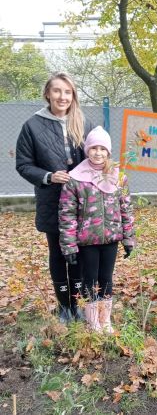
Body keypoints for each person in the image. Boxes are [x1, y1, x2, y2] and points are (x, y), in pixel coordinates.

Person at [15, 72, 95, 323]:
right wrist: (48, 176)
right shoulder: (32, 126)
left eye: (68, 92)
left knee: (79, 256)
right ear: (48, 93)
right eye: (57, 91)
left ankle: (78, 303)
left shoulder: (85, 123)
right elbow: (23, 165)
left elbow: (99, 156)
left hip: (82, 202)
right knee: (59, 254)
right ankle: (64, 306)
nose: (62, 97)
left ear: (73, 96)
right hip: (52, 202)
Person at [58, 126, 135, 333]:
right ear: (87, 150)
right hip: (87, 240)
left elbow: (126, 208)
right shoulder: (75, 178)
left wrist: (128, 239)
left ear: (108, 151)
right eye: (94, 148)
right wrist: (69, 245)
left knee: (106, 278)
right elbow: (67, 214)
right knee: (90, 280)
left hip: (111, 239)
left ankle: (105, 319)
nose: (98, 153)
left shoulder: (118, 176)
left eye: (102, 149)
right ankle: (93, 322)